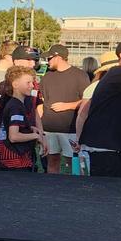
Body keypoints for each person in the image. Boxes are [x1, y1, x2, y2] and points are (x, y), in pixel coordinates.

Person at [78, 39, 121, 178]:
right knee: (106, 195)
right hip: (104, 148)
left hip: (107, 147)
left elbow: (85, 110)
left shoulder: (117, 76)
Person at [38, 44, 89, 174]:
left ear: (58, 57)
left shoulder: (80, 75)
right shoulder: (47, 76)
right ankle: (52, 188)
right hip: (48, 129)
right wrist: (40, 129)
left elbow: (87, 101)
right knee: (52, 161)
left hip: (70, 129)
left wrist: (67, 106)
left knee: (74, 162)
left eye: (49, 58)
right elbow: (42, 102)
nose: (47, 62)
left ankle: (77, 190)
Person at [0, 66, 46, 171]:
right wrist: (36, 136)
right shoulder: (15, 106)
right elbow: (14, 136)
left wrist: (30, 128)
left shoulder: (18, 104)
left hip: (15, 159)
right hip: (14, 161)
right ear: (15, 84)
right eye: (28, 83)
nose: (32, 86)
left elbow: (14, 126)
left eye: (32, 82)